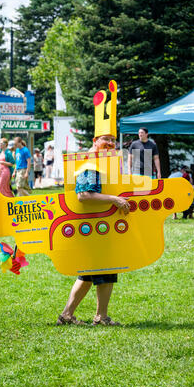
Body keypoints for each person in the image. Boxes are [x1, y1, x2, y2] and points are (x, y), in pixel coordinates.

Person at [57, 134, 130, 326]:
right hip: (96, 226)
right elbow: (84, 195)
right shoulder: (90, 164)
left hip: (96, 225)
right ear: (94, 141)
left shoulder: (98, 162)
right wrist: (115, 199)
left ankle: (67, 316)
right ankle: (101, 317)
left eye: (113, 141)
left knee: (88, 274)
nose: (111, 144)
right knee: (106, 268)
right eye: (106, 139)